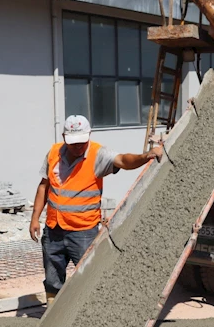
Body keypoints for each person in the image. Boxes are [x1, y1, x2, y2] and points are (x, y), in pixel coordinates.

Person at [30, 115, 163, 304]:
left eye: (82, 142)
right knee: (53, 280)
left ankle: (90, 313)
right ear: (64, 137)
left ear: (89, 135)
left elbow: (124, 160)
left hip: (83, 232)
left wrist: (145, 156)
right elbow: (44, 186)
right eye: (73, 143)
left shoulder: (98, 154)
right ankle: (52, 315)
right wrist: (35, 218)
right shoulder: (53, 153)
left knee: (89, 279)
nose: (78, 147)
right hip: (54, 229)